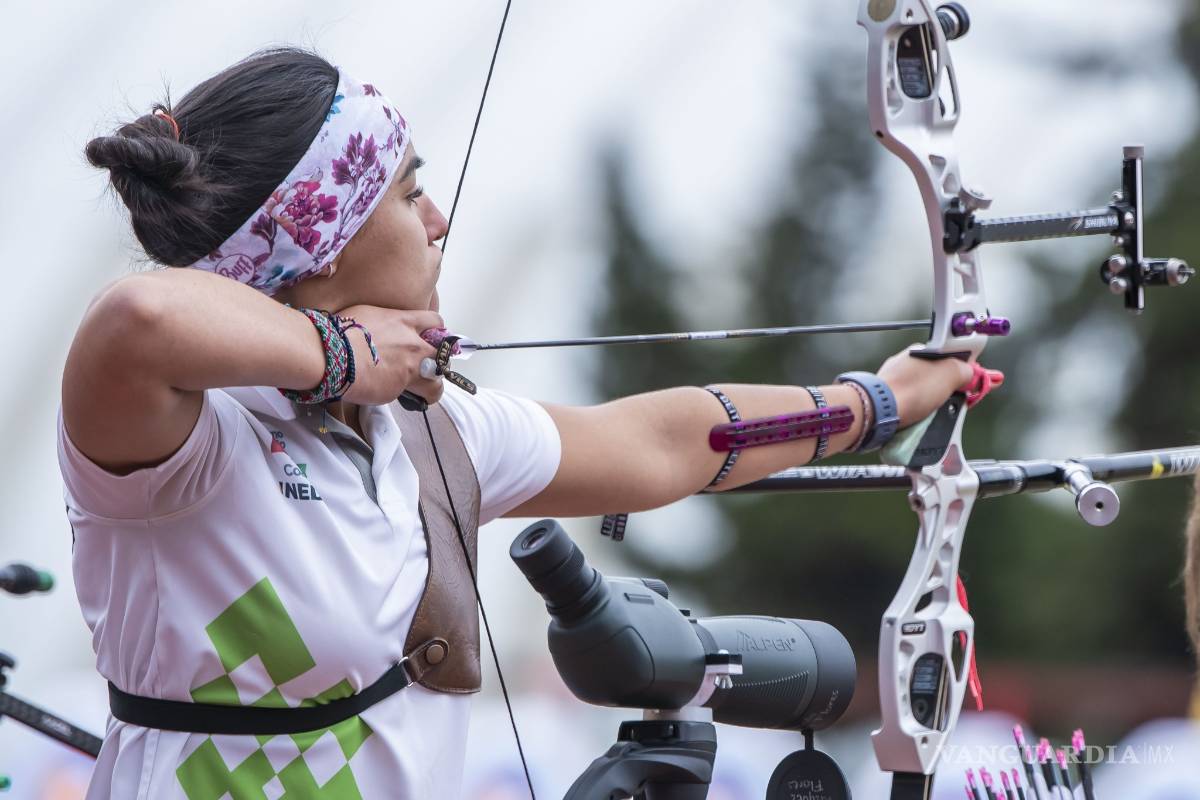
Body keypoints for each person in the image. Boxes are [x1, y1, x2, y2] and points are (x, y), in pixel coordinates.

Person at [64, 47, 972, 799]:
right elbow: (134, 324)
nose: (439, 218)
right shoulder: (185, 440)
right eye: (407, 193)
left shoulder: (430, 432)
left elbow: (666, 441)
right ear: (321, 240)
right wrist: (340, 352)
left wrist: (876, 404)